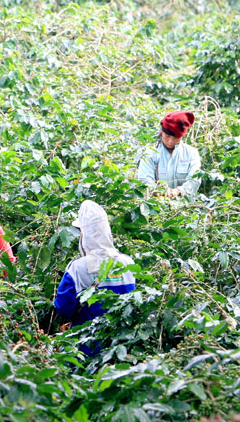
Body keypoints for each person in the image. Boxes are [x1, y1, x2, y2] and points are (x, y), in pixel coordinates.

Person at [54, 201, 136, 356]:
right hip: (121, 347)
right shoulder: (128, 263)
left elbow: (63, 307)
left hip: (86, 346)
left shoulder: (77, 268)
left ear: (84, 234)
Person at [136, 110, 201, 198]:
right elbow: (144, 179)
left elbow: (195, 180)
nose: (170, 141)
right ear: (161, 132)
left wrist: (179, 191)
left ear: (182, 136)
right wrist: (155, 190)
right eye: (167, 136)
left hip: (184, 204)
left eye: (175, 138)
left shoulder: (191, 153)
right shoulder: (150, 153)